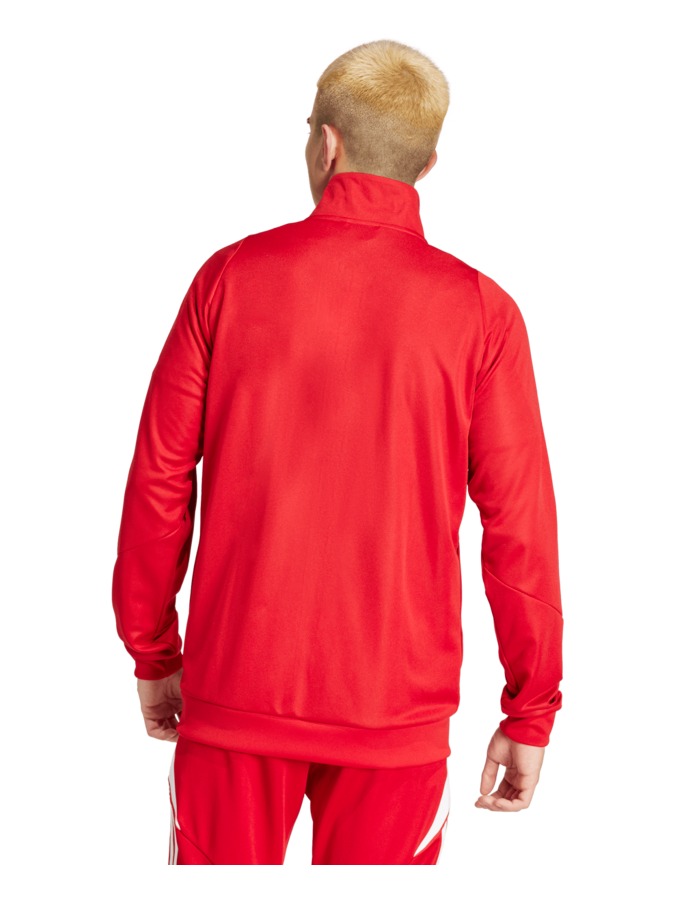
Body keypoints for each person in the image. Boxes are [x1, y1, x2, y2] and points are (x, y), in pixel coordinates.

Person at [112, 38, 563, 866]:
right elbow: (520, 529)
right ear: (427, 164)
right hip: (395, 721)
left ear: (326, 143)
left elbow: (159, 480)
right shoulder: (480, 312)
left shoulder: (229, 279)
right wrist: (529, 711)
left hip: (235, 697)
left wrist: (153, 650)